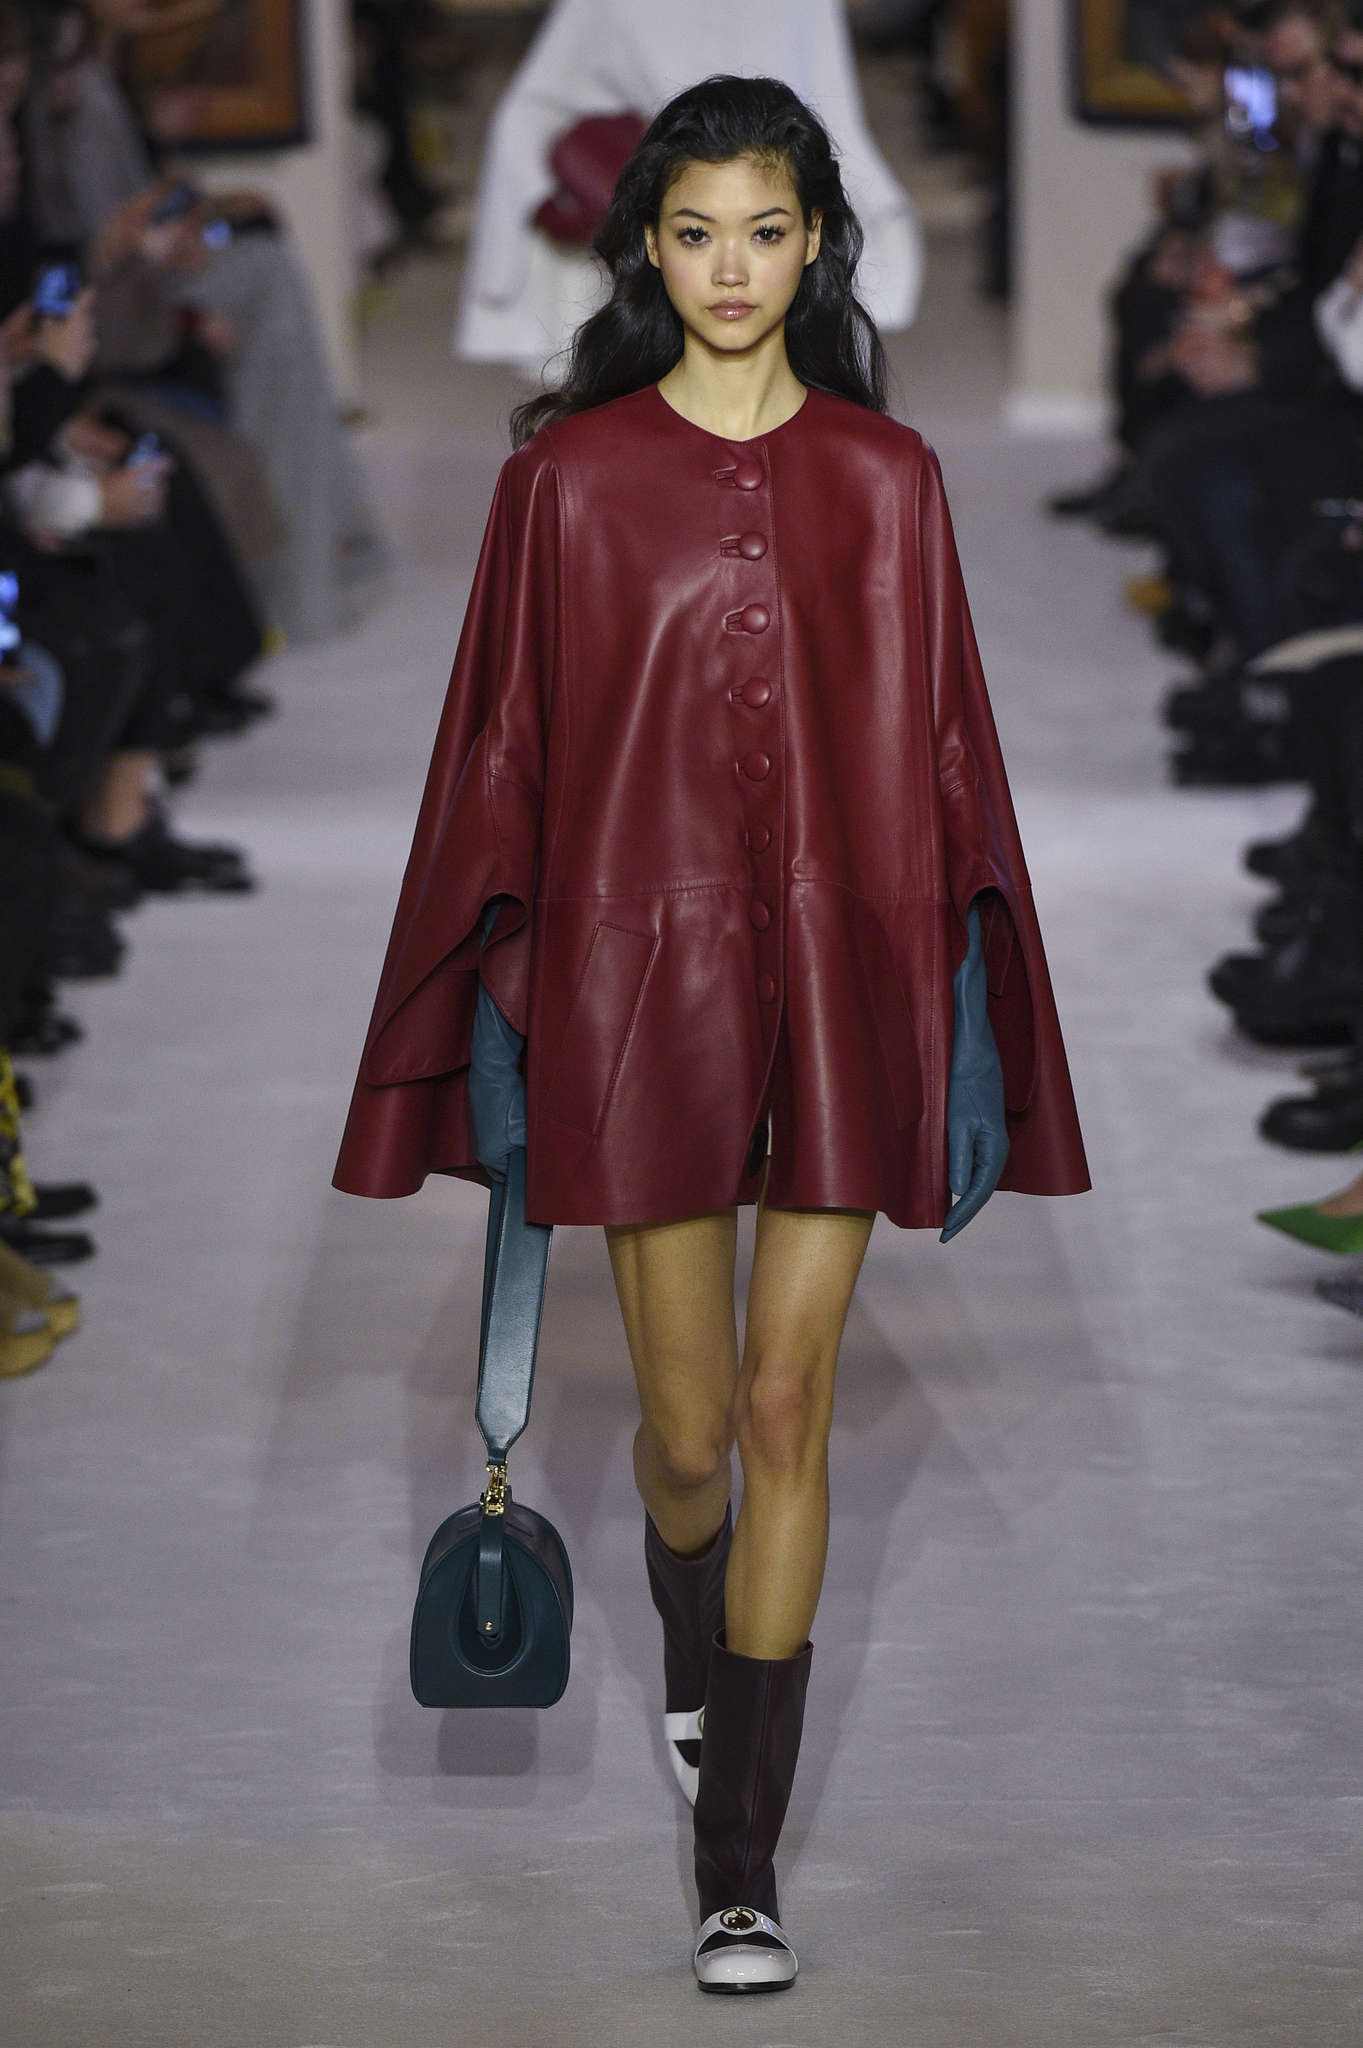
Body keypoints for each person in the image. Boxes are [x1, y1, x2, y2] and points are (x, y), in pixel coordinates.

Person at [335, 77, 1088, 1994]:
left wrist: (972, 1006)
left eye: (765, 231)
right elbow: (498, 764)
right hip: (638, 993)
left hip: (843, 979)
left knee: (780, 1408)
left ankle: (735, 1858)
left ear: (815, 243)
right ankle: (698, 1648)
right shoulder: (565, 485)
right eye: (695, 233)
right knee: (682, 1444)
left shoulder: (889, 478)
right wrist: (490, 1016)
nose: (732, 268)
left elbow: (951, 761)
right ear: (647, 251)